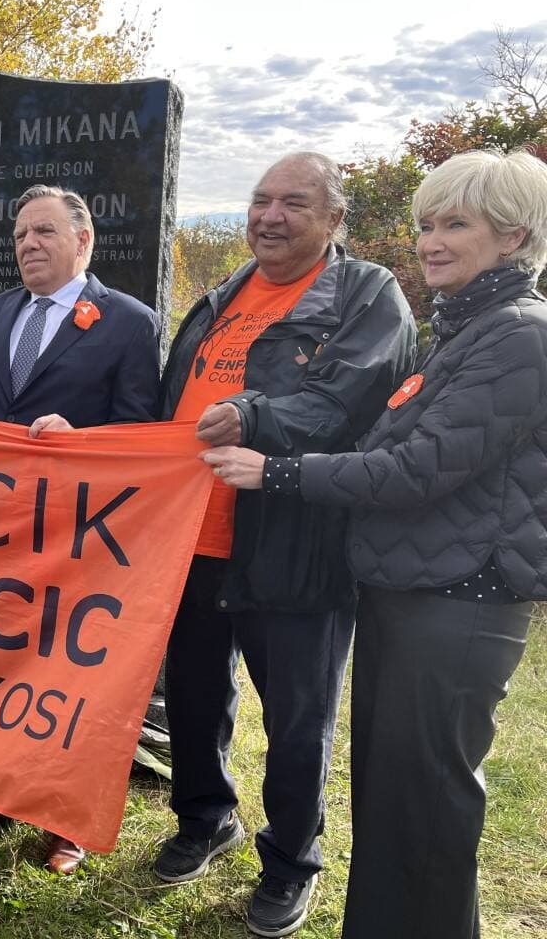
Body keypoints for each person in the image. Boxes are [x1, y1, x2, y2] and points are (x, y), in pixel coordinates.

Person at [204, 148, 547, 939]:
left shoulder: (518, 335)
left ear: (514, 235)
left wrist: (278, 472)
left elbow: (419, 468)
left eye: (455, 223)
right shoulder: (466, 330)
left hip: (459, 606)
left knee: (425, 809)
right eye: (426, 222)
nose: (431, 240)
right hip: (414, 597)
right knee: (395, 804)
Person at [152, 152, 416, 938]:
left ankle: (291, 861)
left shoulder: (368, 295)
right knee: (194, 695)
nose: (269, 215)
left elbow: (346, 399)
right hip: (196, 536)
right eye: (260, 200)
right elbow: (174, 400)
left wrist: (255, 417)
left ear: (334, 219)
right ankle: (204, 818)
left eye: (293, 203)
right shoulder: (222, 292)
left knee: (297, 718)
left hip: (297, 540)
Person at [0, 183, 160, 874]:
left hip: (79, 535)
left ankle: (64, 817)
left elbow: (141, 429)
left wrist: (82, 439)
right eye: (20, 234)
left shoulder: (130, 322)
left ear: (84, 240)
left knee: (69, 676)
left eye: (43, 232)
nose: (28, 245)